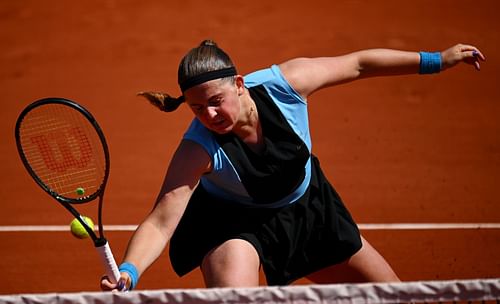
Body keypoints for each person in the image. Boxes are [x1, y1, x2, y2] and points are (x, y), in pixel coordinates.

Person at [101, 40, 485, 291]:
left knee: (395, 297)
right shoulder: (197, 148)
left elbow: (359, 64)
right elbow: (161, 219)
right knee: (236, 299)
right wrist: (130, 272)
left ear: (239, 83)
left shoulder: (286, 85)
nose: (210, 114)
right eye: (198, 108)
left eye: (216, 100)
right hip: (232, 224)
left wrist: (437, 60)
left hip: (309, 212)